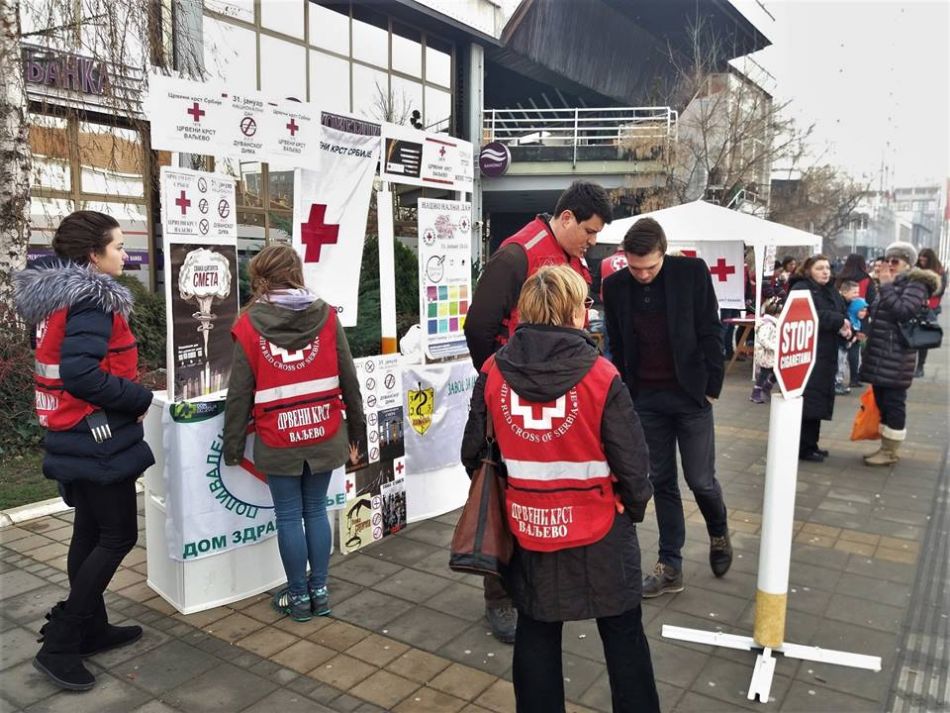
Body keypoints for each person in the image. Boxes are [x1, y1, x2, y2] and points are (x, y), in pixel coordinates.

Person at [461, 265, 659, 713]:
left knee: (536, 631)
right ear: (573, 312)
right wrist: (634, 506)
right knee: (624, 636)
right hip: (602, 528)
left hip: (528, 528)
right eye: (585, 304)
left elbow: (473, 454)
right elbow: (633, 462)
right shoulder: (602, 376)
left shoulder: (493, 372)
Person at [463, 180, 612, 642]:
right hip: (513, 398)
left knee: (545, 491)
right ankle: (499, 596)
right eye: (588, 231)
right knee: (502, 488)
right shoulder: (516, 255)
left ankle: (536, 582)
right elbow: (479, 327)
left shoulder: (574, 257)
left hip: (561, 393)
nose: (592, 242)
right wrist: (502, 379)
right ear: (565, 218)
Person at [13, 211, 155, 691]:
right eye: (117, 246)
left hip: (75, 432)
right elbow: (81, 373)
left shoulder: (62, 297)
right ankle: (62, 644)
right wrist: (139, 398)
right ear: (93, 255)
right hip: (96, 438)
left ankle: (92, 627)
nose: (125, 254)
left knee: (90, 532)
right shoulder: (93, 300)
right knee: (116, 537)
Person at [223, 245, 364, 621]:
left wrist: (233, 446)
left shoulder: (248, 323)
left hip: (278, 435)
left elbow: (239, 393)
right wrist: (359, 434)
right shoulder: (327, 316)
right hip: (325, 429)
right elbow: (349, 379)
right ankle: (320, 590)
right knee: (316, 510)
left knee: (288, 515)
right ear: (296, 273)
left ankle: (298, 598)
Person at [603, 217, 732, 598]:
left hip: (691, 395)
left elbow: (711, 329)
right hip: (646, 399)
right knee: (661, 481)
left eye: (650, 267)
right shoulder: (614, 286)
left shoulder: (690, 273)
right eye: (635, 267)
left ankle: (718, 530)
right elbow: (618, 342)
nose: (642, 274)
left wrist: (712, 387)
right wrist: (625, 391)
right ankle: (669, 564)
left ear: (664, 252)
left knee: (700, 479)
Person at [860, 242, 939, 465]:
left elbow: (903, 312)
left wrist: (885, 285)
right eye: (888, 260)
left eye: (895, 261)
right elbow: (885, 312)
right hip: (881, 353)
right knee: (884, 401)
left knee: (894, 402)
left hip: (897, 355)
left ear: (908, 263)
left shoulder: (916, 284)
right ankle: (885, 446)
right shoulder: (893, 283)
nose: (890, 265)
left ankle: (891, 451)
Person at [788, 255, 851, 462]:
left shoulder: (830, 289)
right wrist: (838, 321)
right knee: (809, 401)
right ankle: (802, 447)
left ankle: (811, 444)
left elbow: (841, 311)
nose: (825, 272)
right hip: (808, 353)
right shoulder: (801, 288)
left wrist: (846, 325)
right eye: (819, 268)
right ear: (808, 271)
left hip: (827, 352)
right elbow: (811, 313)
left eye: (827, 268)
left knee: (818, 401)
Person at [914, 248, 946, 377]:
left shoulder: (939, 271)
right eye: (920, 257)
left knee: (923, 337)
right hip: (915, 305)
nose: (922, 259)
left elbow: (940, 289)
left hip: (930, 307)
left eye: (924, 257)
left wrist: (926, 295)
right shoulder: (916, 270)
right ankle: (912, 365)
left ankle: (920, 366)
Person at [750, 296, 783, 403]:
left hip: (772, 354)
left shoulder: (772, 324)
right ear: (776, 314)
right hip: (766, 355)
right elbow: (764, 339)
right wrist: (774, 347)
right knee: (764, 374)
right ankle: (757, 392)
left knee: (778, 372)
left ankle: (767, 386)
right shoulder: (767, 325)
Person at [834, 280, 861, 395]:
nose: (857, 295)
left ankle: (838, 382)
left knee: (842, 361)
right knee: (839, 362)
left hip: (845, 337)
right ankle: (837, 383)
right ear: (844, 292)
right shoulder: (840, 303)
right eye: (854, 292)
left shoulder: (847, 303)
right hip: (840, 338)